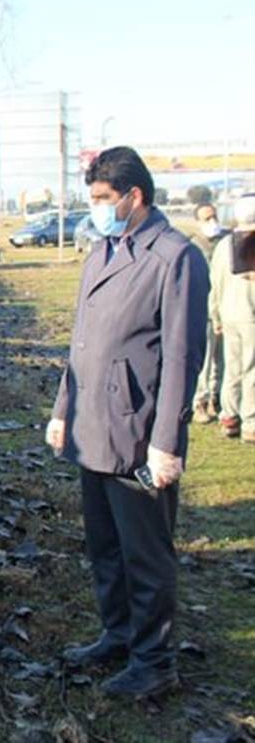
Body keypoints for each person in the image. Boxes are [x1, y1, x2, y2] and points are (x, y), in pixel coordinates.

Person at [46, 146, 209, 699]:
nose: (94, 208)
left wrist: (166, 442)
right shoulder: (103, 251)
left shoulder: (174, 258)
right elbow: (82, 342)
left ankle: (155, 661)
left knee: (145, 553)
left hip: (137, 433)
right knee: (105, 546)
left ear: (134, 198)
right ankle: (118, 634)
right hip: (93, 425)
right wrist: (62, 409)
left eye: (102, 199)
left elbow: (184, 357)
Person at [210, 195, 255, 443]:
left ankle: (229, 416)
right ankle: (250, 421)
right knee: (251, 370)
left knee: (232, 367)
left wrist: (215, 313)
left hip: (228, 314)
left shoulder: (224, 244)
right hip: (250, 316)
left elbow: (215, 283)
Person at [189, 203, 229, 423]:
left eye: (214, 216)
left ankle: (217, 399)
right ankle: (199, 402)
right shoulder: (194, 245)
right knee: (205, 359)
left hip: (227, 308)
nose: (212, 222)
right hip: (204, 309)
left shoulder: (226, 241)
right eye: (206, 218)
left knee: (222, 360)